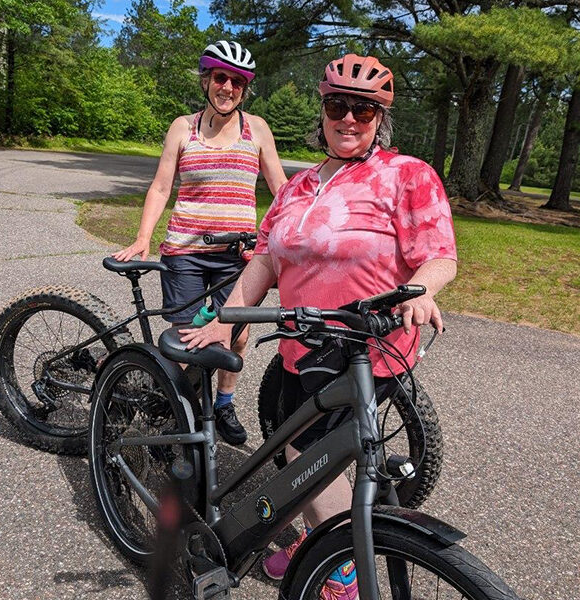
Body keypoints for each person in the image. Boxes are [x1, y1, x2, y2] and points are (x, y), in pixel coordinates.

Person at [179, 53, 458, 598]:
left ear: (380, 120)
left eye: (363, 109)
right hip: (296, 345)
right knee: (293, 446)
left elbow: (439, 253)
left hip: (362, 349)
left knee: (317, 459)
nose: (348, 118)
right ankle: (311, 539)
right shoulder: (298, 186)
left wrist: (423, 290)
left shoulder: (406, 175)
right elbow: (265, 259)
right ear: (324, 111)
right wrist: (223, 320)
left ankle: (337, 569)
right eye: (338, 105)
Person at [113, 40, 287, 446]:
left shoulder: (256, 129)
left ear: (245, 88)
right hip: (186, 251)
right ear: (207, 80)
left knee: (236, 335)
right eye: (221, 78)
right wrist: (143, 238)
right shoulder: (182, 127)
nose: (228, 87)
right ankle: (183, 412)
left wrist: (295, 238)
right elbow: (160, 187)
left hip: (237, 254)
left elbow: (281, 190)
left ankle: (223, 402)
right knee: (189, 338)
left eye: (237, 82)